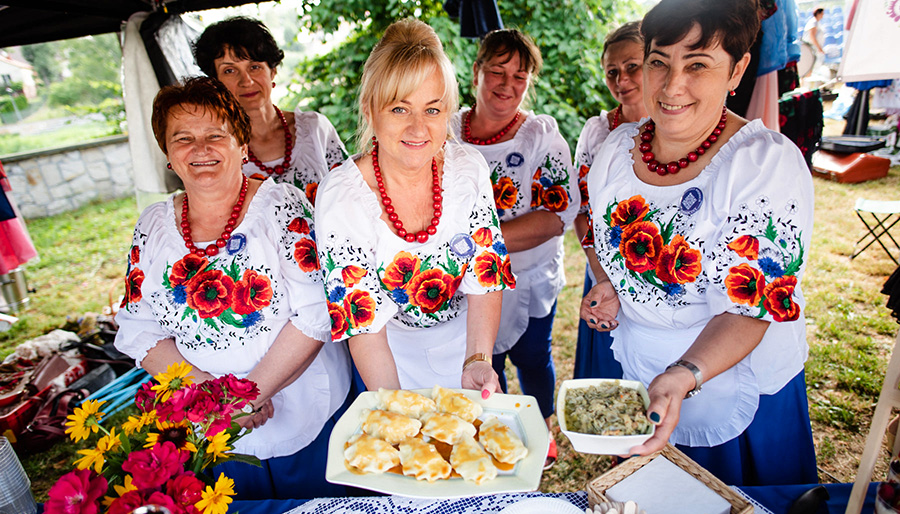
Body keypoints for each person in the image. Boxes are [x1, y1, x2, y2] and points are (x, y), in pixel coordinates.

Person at [580, 0, 817, 486]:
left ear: (738, 70)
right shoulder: (616, 151)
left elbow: (751, 307)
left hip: (728, 378)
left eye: (697, 65)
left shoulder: (762, 165)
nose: (672, 86)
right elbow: (610, 246)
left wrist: (686, 371)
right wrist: (611, 285)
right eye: (659, 62)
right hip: (645, 369)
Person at [114, 77, 351, 500]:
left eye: (214, 135)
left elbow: (317, 312)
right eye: (183, 138)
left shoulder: (283, 207)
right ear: (168, 155)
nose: (200, 149)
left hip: (308, 410)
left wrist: (246, 396)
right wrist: (212, 398)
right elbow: (139, 329)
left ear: (243, 146)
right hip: (213, 426)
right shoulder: (152, 225)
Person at [315, 18, 514, 396]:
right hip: (387, 358)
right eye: (400, 109)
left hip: (466, 346)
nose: (419, 129)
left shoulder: (468, 170)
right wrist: (395, 407)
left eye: (433, 110)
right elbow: (364, 321)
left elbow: (485, 275)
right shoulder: (341, 197)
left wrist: (478, 361)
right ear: (370, 110)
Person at [449, 28, 576, 468]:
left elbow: (556, 215)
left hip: (528, 275)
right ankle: (498, 427)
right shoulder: (444, 129)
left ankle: (542, 426)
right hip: (460, 279)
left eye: (520, 76)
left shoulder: (540, 137)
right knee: (485, 356)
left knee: (532, 354)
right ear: (476, 72)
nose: (507, 85)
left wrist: (476, 242)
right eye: (497, 72)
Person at [193, 17, 346, 204]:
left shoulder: (315, 129)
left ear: (272, 71)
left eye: (255, 67)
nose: (246, 81)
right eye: (230, 71)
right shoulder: (216, 148)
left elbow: (352, 191)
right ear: (215, 81)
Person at [572, 21, 647, 381]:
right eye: (612, 72)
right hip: (605, 272)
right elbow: (584, 213)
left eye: (632, 66)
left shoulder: (680, 127)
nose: (622, 80)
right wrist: (604, 278)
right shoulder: (597, 131)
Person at [801, 7, 825, 78]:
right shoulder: (813, 22)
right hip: (811, 49)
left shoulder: (817, 22)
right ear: (818, 13)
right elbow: (812, 36)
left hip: (814, 48)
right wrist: (819, 47)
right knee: (809, 67)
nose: (823, 15)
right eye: (822, 13)